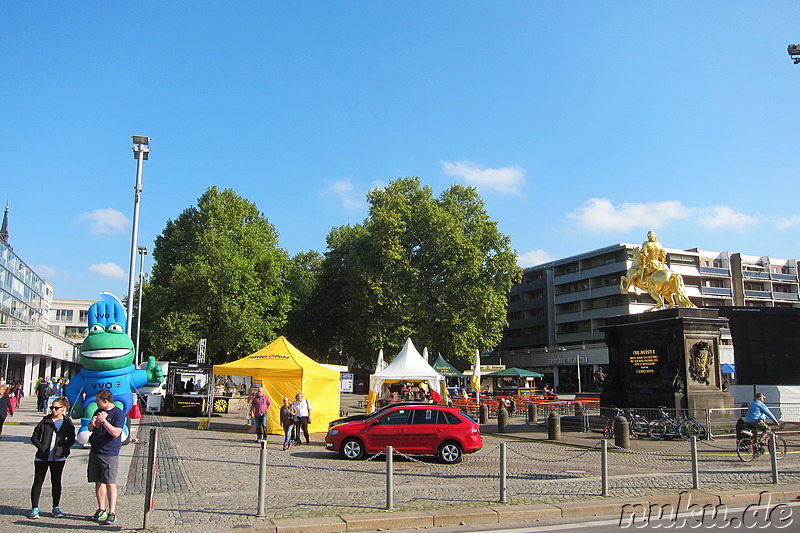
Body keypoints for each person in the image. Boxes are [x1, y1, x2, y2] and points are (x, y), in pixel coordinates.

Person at [28, 396, 76, 519]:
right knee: (38, 481)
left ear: (62, 409)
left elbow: (72, 438)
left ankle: (55, 507)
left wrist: (64, 448)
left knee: (56, 482)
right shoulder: (45, 421)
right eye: (52, 408)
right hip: (42, 457)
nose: (53, 410)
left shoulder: (67, 423)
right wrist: (41, 447)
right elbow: (34, 437)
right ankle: (34, 508)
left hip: (58, 457)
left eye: (56, 408)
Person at [87, 389, 124, 525]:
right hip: (95, 450)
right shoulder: (98, 411)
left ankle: (112, 512)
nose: (96, 403)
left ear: (105, 401)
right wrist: (92, 423)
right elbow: (91, 429)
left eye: (98, 400)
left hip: (109, 452)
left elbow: (116, 433)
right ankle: (101, 509)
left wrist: (104, 422)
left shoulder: (118, 414)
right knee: (98, 481)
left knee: (110, 482)